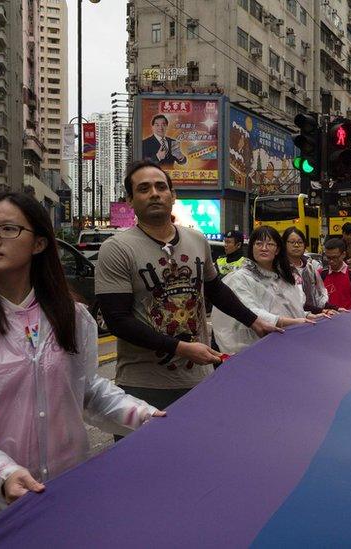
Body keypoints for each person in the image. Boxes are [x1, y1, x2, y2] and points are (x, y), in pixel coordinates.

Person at [0, 192, 163, 546]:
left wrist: (144, 417)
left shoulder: (71, 316)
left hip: (61, 494)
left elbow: (85, 390)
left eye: (8, 229)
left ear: (39, 243)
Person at [96, 161, 279, 412]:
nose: (154, 194)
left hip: (199, 381)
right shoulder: (116, 249)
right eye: (144, 188)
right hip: (143, 387)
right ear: (130, 199)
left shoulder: (197, 239)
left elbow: (215, 289)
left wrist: (255, 322)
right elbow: (117, 320)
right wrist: (181, 348)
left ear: (173, 195)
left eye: (161, 187)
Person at [213, 227, 322, 354]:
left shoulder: (283, 277)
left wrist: (309, 316)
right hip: (253, 347)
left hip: (285, 345)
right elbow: (251, 311)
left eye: (270, 244)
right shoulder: (240, 278)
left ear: (277, 250)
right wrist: (293, 322)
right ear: (251, 247)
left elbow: (289, 308)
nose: (264, 248)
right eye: (259, 243)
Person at [282, 227, 333, 315]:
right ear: (284, 244)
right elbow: (292, 303)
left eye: (300, 242)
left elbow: (319, 295)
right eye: (292, 242)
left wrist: (333, 308)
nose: (296, 245)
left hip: (315, 317)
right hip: (291, 319)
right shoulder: (280, 269)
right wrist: (320, 311)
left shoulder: (310, 268)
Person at [321, 237, 351, 309]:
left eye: (334, 257)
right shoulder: (321, 274)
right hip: (327, 317)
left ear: (343, 254)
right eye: (328, 257)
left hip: (348, 316)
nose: (331, 261)